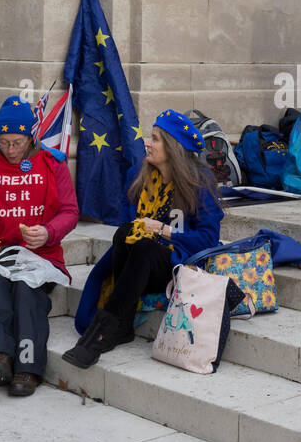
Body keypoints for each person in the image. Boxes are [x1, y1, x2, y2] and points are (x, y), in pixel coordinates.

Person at [64, 110, 223, 368]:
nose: (147, 143)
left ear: (173, 148)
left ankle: (101, 334)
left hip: (176, 265)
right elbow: (128, 225)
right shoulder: (140, 177)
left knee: (146, 247)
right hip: (138, 266)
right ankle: (120, 325)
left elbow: (208, 239)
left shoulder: (198, 185)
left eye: (155, 139)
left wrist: (163, 229)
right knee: (126, 233)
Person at [0, 97, 79, 396]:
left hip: (40, 254)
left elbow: (70, 212)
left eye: (17, 143)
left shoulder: (53, 164)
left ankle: (28, 368)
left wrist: (49, 232)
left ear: (31, 137)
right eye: (3, 143)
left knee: (27, 292)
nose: (10, 150)